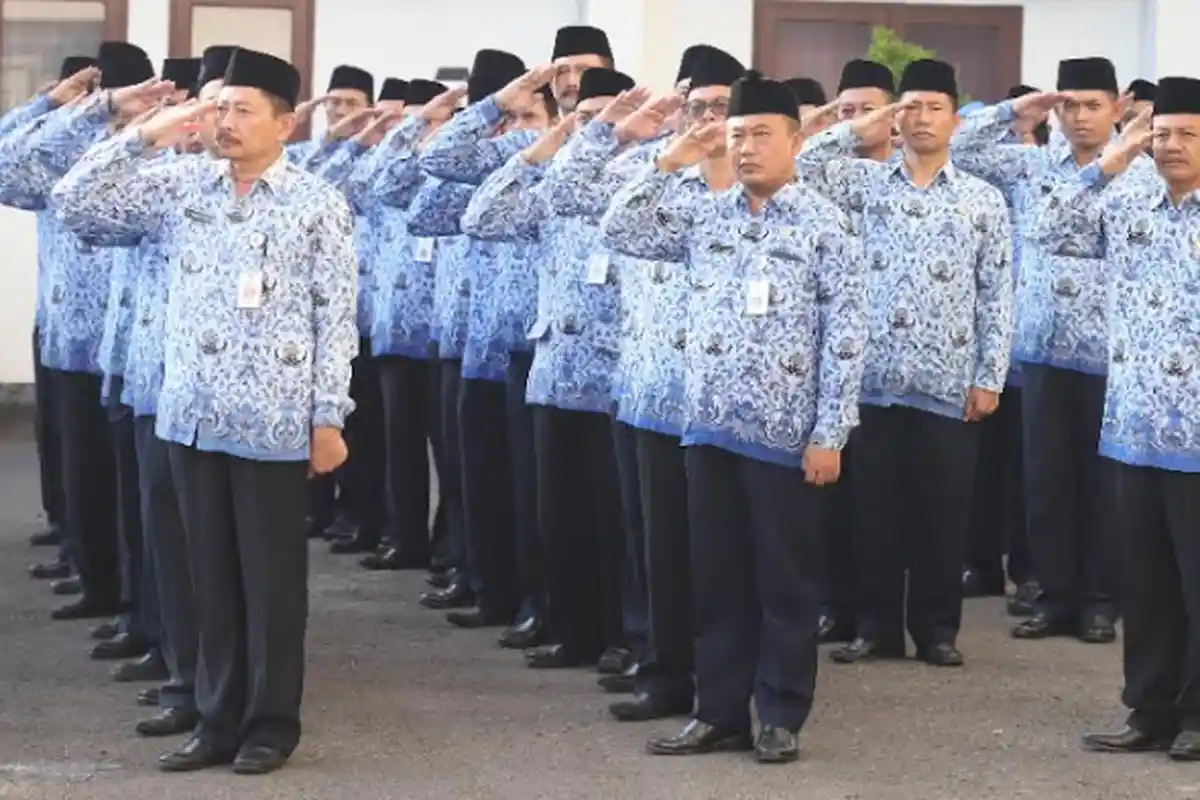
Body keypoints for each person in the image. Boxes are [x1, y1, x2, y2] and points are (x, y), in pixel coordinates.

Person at [53, 46, 357, 775]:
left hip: (274, 422)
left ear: (285, 124)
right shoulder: (182, 187)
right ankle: (216, 720)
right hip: (190, 414)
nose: (225, 121)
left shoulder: (318, 204)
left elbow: (336, 316)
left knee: (270, 583)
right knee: (206, 577)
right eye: (218, 107)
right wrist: (147, 134)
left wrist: (328, 416)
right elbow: (74, 203)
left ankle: (270, 724)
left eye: (242, 109)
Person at [602, 70, 868, 763]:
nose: (747, 147)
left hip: (785, 437)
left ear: (796, 140)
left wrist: (830, 433)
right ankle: (718, 712)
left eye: (761, 135)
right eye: (738, 135)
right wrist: (670, 160)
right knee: (716, 582)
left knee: (785, 584)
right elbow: (620, 227)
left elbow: (846, 337)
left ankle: (780, 714)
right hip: (707, 431)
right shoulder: (707, 217)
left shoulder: (827, 226)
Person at [800, 59, 1014, 667]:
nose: (921, 119)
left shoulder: (982, 199)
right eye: (909, 106)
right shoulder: (863, 184)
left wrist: (989, 377)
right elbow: (805, 163)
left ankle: (937, 631)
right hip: (871, 381)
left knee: (942, 515)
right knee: (873, 514)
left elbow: (997, 291)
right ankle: (875, 628)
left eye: (934, 107)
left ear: (955, 119)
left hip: (949, 384)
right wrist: (861, 126)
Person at [953, 57, 1156, 644]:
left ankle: (1100, 600)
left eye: (1094, 105)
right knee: (1045, 481)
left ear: (1117, 108)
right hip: (1040, 347)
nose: (1081, 117)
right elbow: (960, 151)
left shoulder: (1143, 174)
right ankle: (1054, 594)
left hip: (1113, 354)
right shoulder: (1033, 165)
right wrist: (1015, 111)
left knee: (1103, 483)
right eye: (1071, 106)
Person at [1030, 77, 1200, 761]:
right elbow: (1046, 228)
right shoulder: (1129, 205)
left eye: (1188, 134)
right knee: (1147, 583)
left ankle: (1197, 717)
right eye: (1163, 133)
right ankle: (1149, 709)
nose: (1173, 145)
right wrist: (1113, 160)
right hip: (1134, 430)